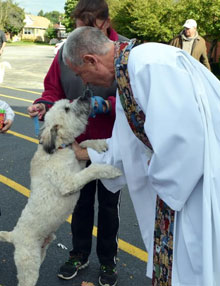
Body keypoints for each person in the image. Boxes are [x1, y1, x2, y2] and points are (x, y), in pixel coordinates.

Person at [62, 26, 220, 285]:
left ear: (91, 60)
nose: (84, 83)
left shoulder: (150, 65)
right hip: (184, 189)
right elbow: (125, 143)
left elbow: (184, 142)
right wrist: (83, 152)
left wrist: (154, 174)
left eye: (82, 74)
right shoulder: (129, 75)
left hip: (199, 186)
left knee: (198, 262)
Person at [27, 1, 128, 286]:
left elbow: (132, 99)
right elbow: (52, 89)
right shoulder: (65, 52)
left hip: (109, 145)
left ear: (105, 22)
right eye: (77, 25)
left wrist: (107, 105)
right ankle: (79, 254)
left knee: (109, 207)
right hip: (75, 146)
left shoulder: (123, 51)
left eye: (88, 25)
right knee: (79, 203)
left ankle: (108, 260)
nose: (80, 32)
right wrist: (42, 105)